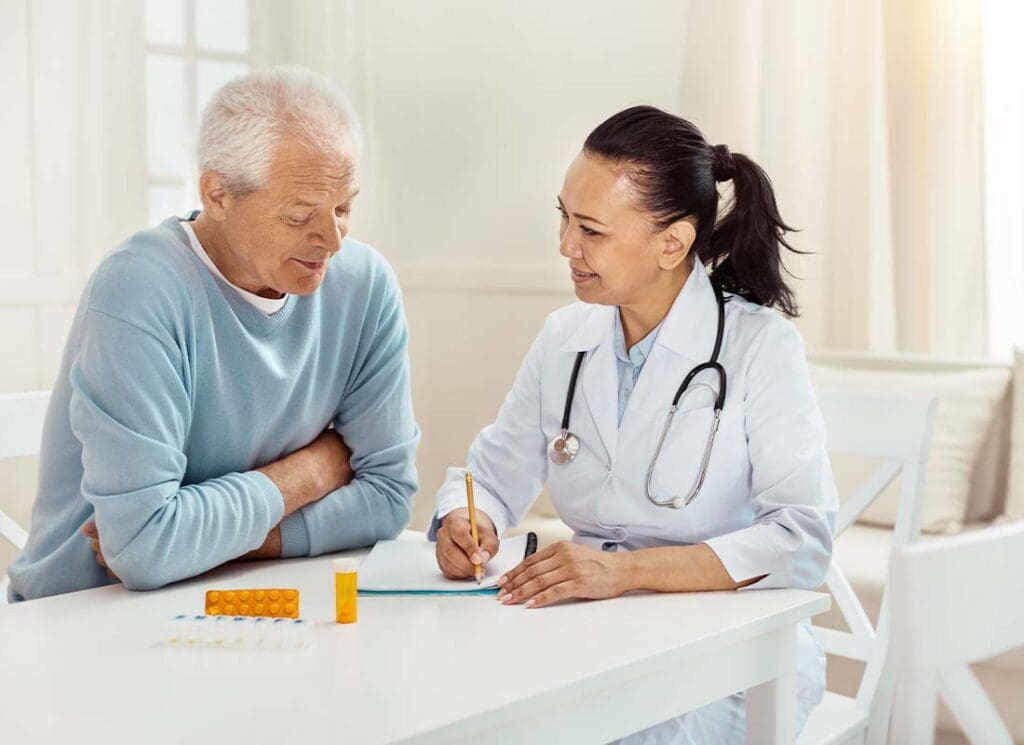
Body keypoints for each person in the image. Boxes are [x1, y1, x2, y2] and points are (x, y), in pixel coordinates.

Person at [432, 105, 836, 742]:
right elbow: (491, 474)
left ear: (672, 243)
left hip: (733, 648)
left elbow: (801, 538)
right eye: (564, 217)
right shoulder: (566, 336)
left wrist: (625, 571)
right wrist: (466, 520)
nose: (566, 246)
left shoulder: (760, 347)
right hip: (595, 632)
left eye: (591, 229)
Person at [7, 66, 419, 601]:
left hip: (248, 599)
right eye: (300, 216)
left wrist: (210, 540)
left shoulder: (364, 285)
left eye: (344, 208)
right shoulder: (138, 289)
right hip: (82, 615)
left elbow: (387, 499)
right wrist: (313, 471)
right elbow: (145, 550)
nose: (332, 241)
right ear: (218, 193)